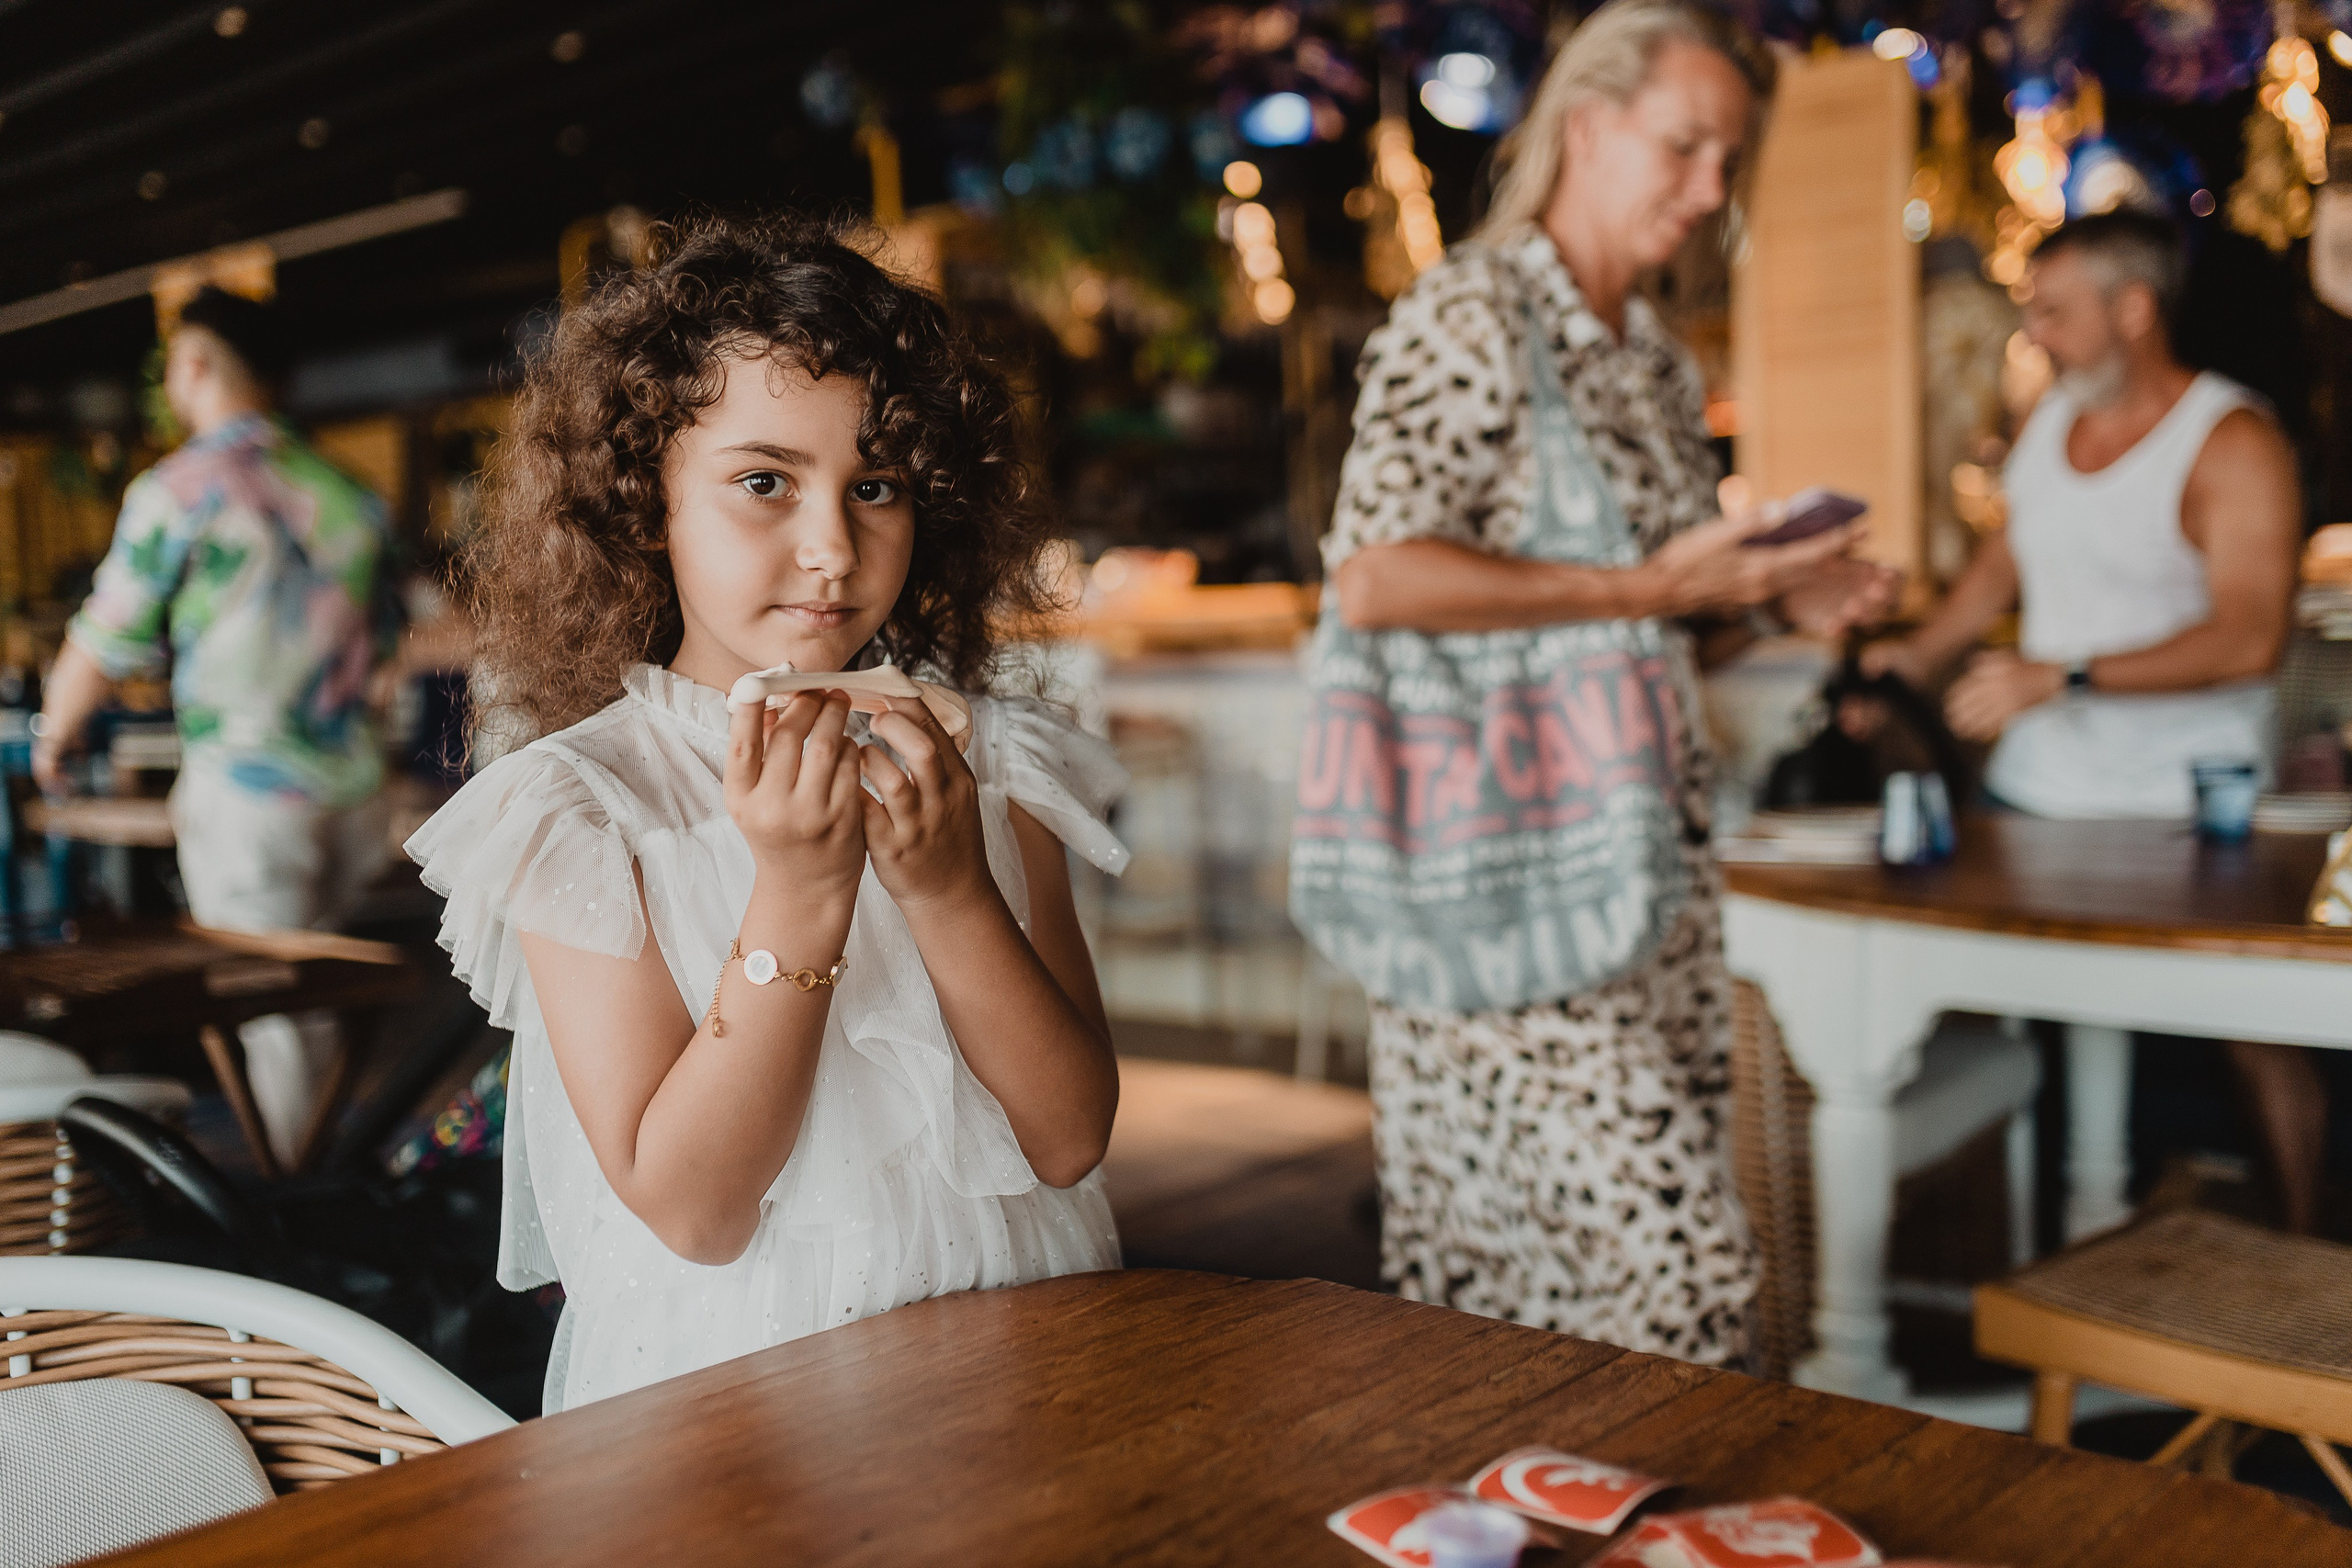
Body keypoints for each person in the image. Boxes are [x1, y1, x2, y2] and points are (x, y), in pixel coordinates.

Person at [408, 215, 1127, 1412]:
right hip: (736, 1401)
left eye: (876, 486)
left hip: (1023, 1357)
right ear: (647, 501)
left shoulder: (988, 766)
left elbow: (1068, 1136)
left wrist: (950, 887)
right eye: (764, 482)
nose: (832, 547)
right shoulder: (582, 809)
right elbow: (697, 1210)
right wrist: (800, 894)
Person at [1322, 0, 1899, 1364]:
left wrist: (1767, 598)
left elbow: (1654, 624)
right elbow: (1375, 579)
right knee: (1684, 1277)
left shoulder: (1649, 355)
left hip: (1649, 884)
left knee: (1536, 1320)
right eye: (1685, 146)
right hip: (1501, 886)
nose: (1709, 189)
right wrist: (1650, 588)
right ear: (1587, 125)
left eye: (1727, 160)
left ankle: (1541, 1482)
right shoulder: (1473, 312)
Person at [1863, 211, 2318, 1230]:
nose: (2034, 334)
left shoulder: (2232, 441)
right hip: (2039, 792)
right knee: (1996, 1009)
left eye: (2055, 312)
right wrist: (1914, 657)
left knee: (2255, 1029)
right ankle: (2044, 1249)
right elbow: (2006, 559)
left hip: (2185, 806)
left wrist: (2062, 676)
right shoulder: (2050, 420)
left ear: (2134, 309)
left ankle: (2307, 1265)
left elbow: (2249, 638)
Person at [36, 287, 401, 1170]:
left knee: (276, 1020)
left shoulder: (182, 489)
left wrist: (53, 732)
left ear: (193, 364)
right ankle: (329, 1185)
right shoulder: (351, 493)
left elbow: (105, 635)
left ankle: (299, 1213)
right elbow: (387, 648)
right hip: (358, 797)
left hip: (251, 798)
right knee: (324, 1004)